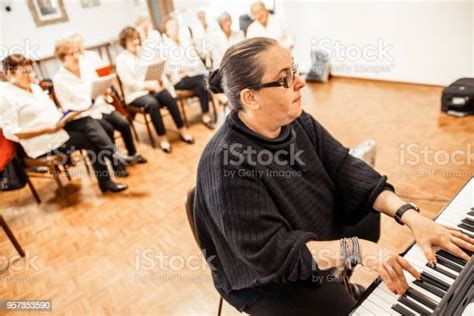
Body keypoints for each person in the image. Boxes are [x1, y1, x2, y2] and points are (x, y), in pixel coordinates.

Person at [194, 38, 474, 315]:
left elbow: (344, 167)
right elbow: (272, 256)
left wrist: (411, 217)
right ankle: (340, 286)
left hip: (303, 236)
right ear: (250, 97)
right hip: (266, 279)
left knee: (366, 214)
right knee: (345, 308)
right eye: (285, 79)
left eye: (295, 70)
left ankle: (341, 278)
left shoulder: (298, 122)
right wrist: (356, 250)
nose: (300, 82)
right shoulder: (225, 164)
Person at [1, 54, 127, 193]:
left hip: (57, 128)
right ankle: (113, 166)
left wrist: (66, 116)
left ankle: (114, 162)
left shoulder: (34, 88)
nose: (30, 75)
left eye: (31, 70)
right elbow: (10, 132)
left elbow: (48, 112)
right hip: (41, 141)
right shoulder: (5, 97)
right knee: (89, 139)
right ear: (9, 73)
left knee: (88, 121)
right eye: (24, 72)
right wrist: (46, 130)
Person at [53, 37, 147, 165]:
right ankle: (117, 165)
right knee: (107, 128)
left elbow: (97, 83)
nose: (76, 56)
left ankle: (132, 154)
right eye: (71, 54)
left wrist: (104, 91)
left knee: (124, 123)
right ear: (62, 57)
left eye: (77, 52)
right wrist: (87, 102)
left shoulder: (85, 66)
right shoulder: (59, 79)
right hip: (85, 115)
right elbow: (67, 107)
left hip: (101, 106)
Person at [116, 27, 194, 153]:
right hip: (136, 94)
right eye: (131, 39)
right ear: (124, 41)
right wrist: (148, 86)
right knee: (153, 104)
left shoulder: (142, 52)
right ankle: (163, 139)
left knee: (168, 96)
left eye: (136, 38)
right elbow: (129, 83)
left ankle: (182, 130)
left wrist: (158, 79)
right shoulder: (121, 59)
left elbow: (151, 70)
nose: (135, 42)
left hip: (152, 88)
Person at [162, 16, 215, 129]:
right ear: (166, 31)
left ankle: (206, 113)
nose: (175, 28)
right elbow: (173, 68)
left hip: (193, 76)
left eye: (176, 25)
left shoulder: (185, 43)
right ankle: (207, 114)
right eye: (171, 27)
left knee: (201, 83)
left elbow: (197, 63)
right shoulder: (165, 47)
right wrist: (186, 68)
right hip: (178, 80)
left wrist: (187, 68)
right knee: (202, 82)